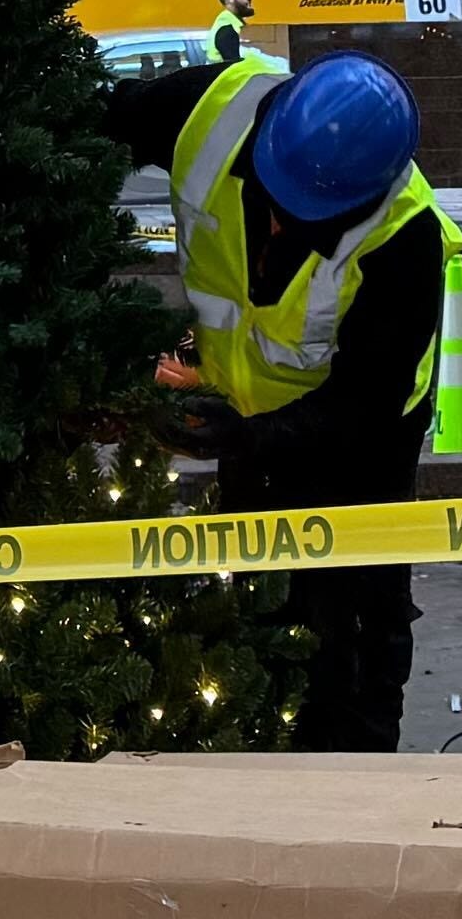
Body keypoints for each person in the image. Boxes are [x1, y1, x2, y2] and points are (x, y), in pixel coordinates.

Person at [112, 45, 444, 754]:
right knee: (258, 608)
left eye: (308, 222)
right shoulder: (209, 110)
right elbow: (87, 128)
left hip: (364, 449)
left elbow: (364, 405)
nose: (281, 231)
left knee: (354, 635)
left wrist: (245, 436)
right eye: (275, 206)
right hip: (249, 420)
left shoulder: (405, 238)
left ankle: (352, 789)